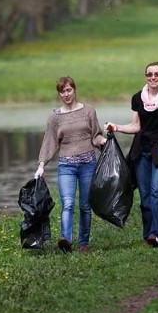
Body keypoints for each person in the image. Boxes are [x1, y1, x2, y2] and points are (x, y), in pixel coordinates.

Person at [105, 61, 158, 248]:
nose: (153, 77)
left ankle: (156, 234)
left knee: (156, 191)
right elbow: (136, 126)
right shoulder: (137, 98)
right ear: (146, 76)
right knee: (145, 195)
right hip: (141, 151)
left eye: (157, 74)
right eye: (150, 74)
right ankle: (148, 234)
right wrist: (116, 127)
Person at [34, 76, 106, 253]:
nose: (66, 94)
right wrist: (41, 165)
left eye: (68, 90)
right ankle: (66, 240)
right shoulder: (54, 117)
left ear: (74, 90)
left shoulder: (88, 111)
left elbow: (95, 134)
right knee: (67, 203)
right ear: (59, 94)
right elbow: (49, 141)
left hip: (88, 163)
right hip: (66, 166)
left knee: (85, 206)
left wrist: (103, 140)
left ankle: (83, 243)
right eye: (62, 91)